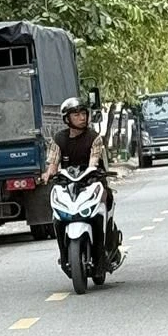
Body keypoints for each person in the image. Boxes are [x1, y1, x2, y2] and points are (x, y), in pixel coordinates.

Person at [45, 95, 121, 259]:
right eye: (76, 115)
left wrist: (93, 172)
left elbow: (93, 162)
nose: (82, 118)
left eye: (83, 114)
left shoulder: (94, 138)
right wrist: (48, 174)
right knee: (57, 215)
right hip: (69, 185)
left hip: (92, 183)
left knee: (104, 203)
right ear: (67, 119)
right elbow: (52, 164)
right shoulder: (58, 139)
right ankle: (64, 253)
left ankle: (105, 248)